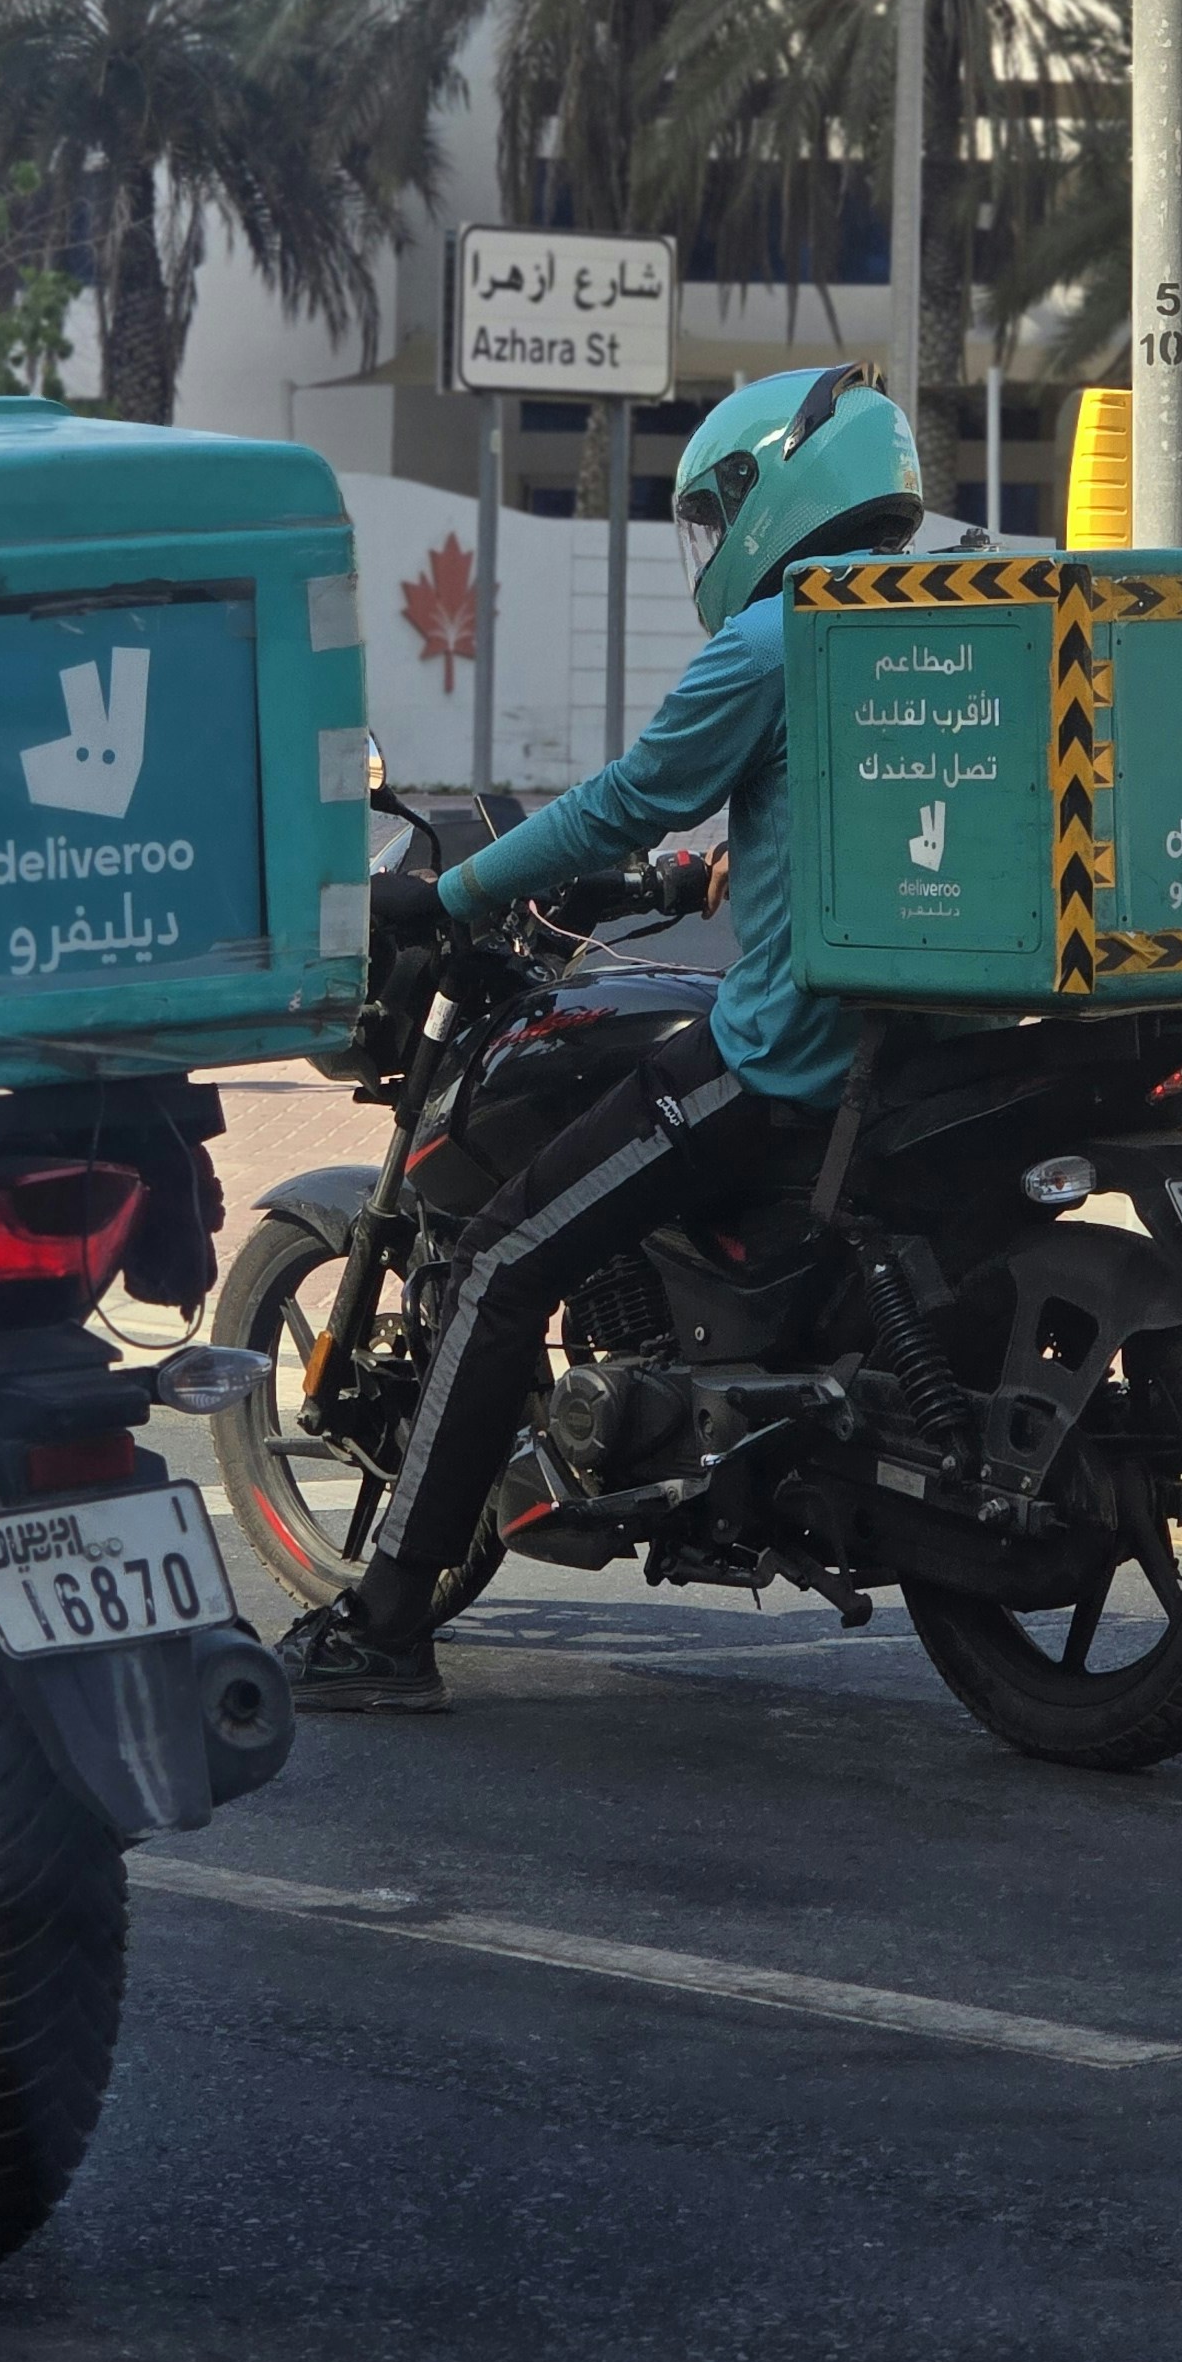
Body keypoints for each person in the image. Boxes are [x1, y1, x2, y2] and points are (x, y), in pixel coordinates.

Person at [277, 361, 923, 1715]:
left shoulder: (775, 642)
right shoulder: (933, 627)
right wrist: (705, 881)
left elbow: (627, 801)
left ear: (773, 498)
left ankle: (388, 1621)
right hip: (920, 1050)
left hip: (787, 1055)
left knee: (507, 1257)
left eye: (717, 511)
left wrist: (445, 892)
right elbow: (842, 828)